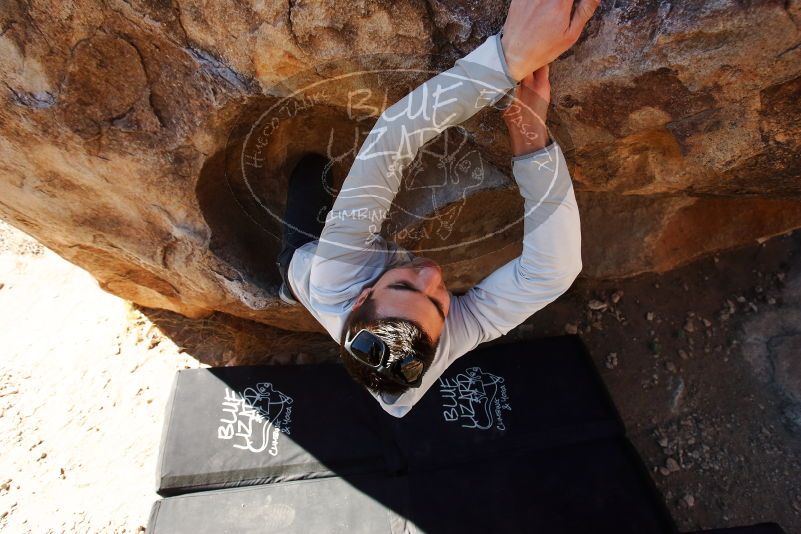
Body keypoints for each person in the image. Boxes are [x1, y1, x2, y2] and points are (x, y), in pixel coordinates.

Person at [276, 0, 599, 417]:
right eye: (439, 303)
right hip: (400, 385)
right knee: (398, 404)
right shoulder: (436, 347)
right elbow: (552, 273)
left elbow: (392, 137)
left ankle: (287, 286)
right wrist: (530, 137)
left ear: (361, 297)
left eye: (406, 287)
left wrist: (507, 58)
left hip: (306, 264)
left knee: (310, 173)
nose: (432, 274)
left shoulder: (335, 272)